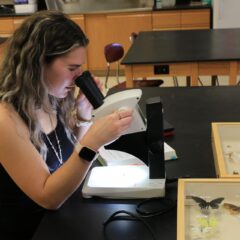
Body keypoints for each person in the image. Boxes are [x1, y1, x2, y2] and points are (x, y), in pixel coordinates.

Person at [0, 10, 133, 240]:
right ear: (38, 63)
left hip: (57, 221)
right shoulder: (5, 118)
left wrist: (82, 119)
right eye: (72, 69)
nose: (78, 76)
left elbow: (63, 161)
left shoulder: (49, 98)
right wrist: (92, 143)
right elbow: (48, 196)